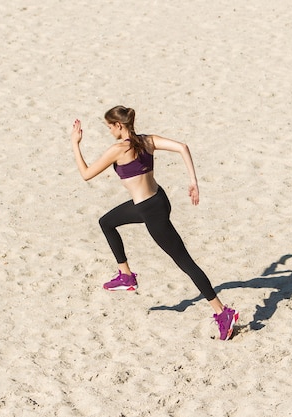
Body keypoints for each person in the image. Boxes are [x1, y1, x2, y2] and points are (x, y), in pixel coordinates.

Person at [70, 106, 238, 340]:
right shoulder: (147, 141)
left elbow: (86, 174)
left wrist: (75, 144)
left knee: (184, 261)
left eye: (109, 126)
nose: (108, 130)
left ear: (119, 126)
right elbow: (183, 147)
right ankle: (125, 275)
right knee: (107, 222)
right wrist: (193, 182)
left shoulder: (118, 150)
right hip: (159, 200)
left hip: (151, 212)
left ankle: (222, 312)